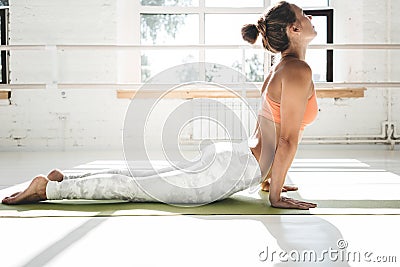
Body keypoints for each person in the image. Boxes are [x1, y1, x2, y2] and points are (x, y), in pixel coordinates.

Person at [2, 1, 317, 210]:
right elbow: (286, 139)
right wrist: (274, 195)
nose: (310, 17)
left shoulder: (282, 67)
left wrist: (268, 180)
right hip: (233, 168)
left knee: (142, 179)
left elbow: (268, 132)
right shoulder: (296, 71)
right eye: (305, 15)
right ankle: (48, 190)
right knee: (139, 187)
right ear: (293, 30)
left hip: (234, 159)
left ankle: (64, 182)